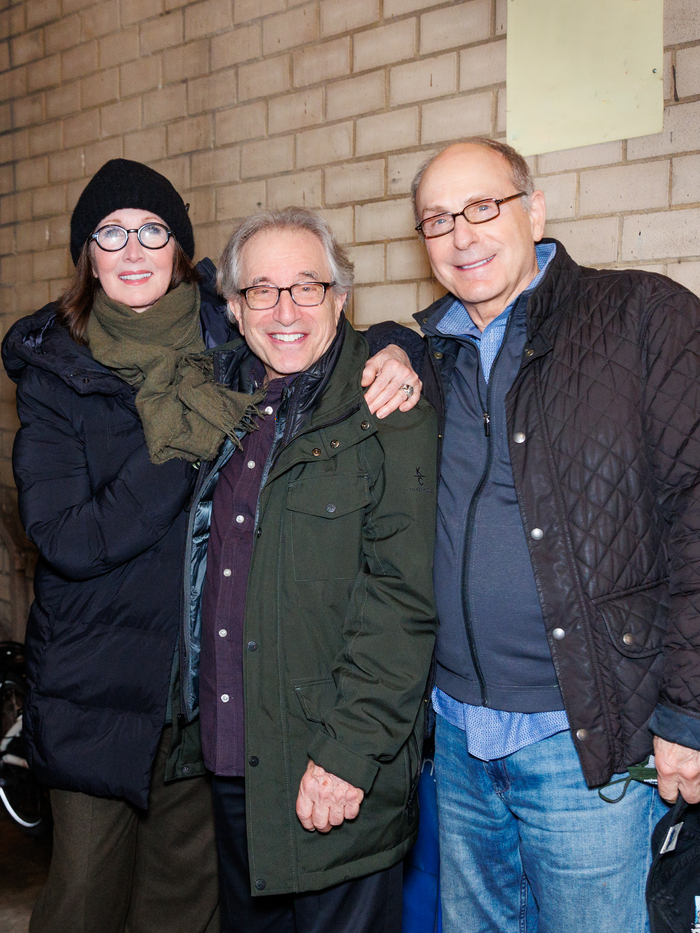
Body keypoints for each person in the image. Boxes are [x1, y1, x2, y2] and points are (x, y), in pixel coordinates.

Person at [368, 137, 700, 932]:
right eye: (437, 219)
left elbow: (695, 512)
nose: (462, 234)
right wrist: (398, 340)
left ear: (535, 209)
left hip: (588, 737)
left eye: (483, 207)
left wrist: (687, 714)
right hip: (456, 737)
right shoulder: (433, 355)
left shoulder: (643, 316)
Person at [0, 158, 268, 933]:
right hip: (97, 686)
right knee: (85, 898)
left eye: (152, 230)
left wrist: (403, 352)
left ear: (180, 246)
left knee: (183, 906)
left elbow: (324, 331)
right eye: (109, 233)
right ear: (88, 255)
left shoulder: (232, 339)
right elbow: (67, 536)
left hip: (201, 684)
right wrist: (182, 450)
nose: (133, 249)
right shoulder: (57, 370)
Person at [178, 207, 439, 933]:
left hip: (331, 761)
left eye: (307, 287)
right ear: (233, 307)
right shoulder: (218, 406)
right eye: (261, 290)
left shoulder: (388, 406)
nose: (285, 309)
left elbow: (404, 602)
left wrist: (348, 756)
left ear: (342, 297)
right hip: (235, 758)